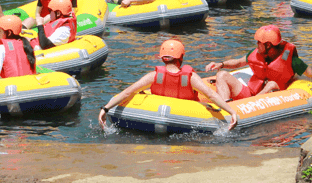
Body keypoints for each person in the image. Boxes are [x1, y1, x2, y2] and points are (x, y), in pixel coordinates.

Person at [99, 39, 238, 129]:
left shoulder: (153, 76)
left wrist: (105, 109)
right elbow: (211, 95)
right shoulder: (190, 77)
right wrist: (231, 111)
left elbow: (128, 92)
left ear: (162, 58)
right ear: (181, 57)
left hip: (154, 115)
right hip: (187, 117)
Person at [205, 26, 312, 106]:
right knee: (222, 75)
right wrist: (221, 64)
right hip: (252, 93)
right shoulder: (256, 54)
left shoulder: (292, 61)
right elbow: (238, 62)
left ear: (268, 45)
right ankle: (226, 108)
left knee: (271, 84)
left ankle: (247, 106)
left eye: (259, 42)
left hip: (275, 96)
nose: (256, 44)